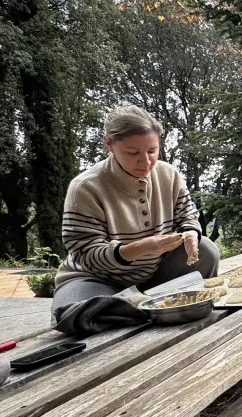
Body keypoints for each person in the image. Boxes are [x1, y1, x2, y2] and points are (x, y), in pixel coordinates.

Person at [54, 105, 220, 315]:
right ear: (108, 144)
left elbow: (187, 215)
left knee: (206, 250)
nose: (146, 161)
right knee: (72, 314)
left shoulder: (169, 175)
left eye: (152, 151)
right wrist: (139, 248)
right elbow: (85, 254)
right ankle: (141, 308)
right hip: (96, 280)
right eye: (133, 153)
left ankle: (139, 308)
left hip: (154, 276)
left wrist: (190, 233)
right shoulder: (85, 188)